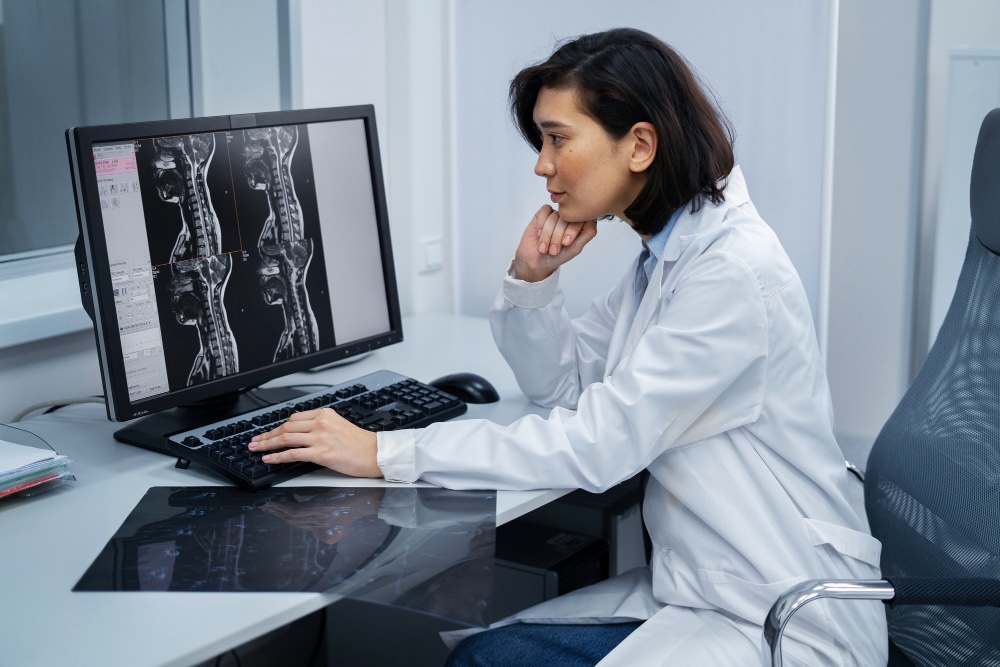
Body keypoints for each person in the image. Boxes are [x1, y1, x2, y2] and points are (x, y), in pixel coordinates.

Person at [249, 27, 888, 666]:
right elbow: (564, 390)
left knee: (483, 660)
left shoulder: (730, 274)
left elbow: (595, 445)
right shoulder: (666, 258)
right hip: (714, 586)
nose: (542, 165)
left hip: (783, 614)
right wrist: (533, 282)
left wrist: (385, 450)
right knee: (485, 650)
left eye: (558, 138)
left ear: (639, 144)